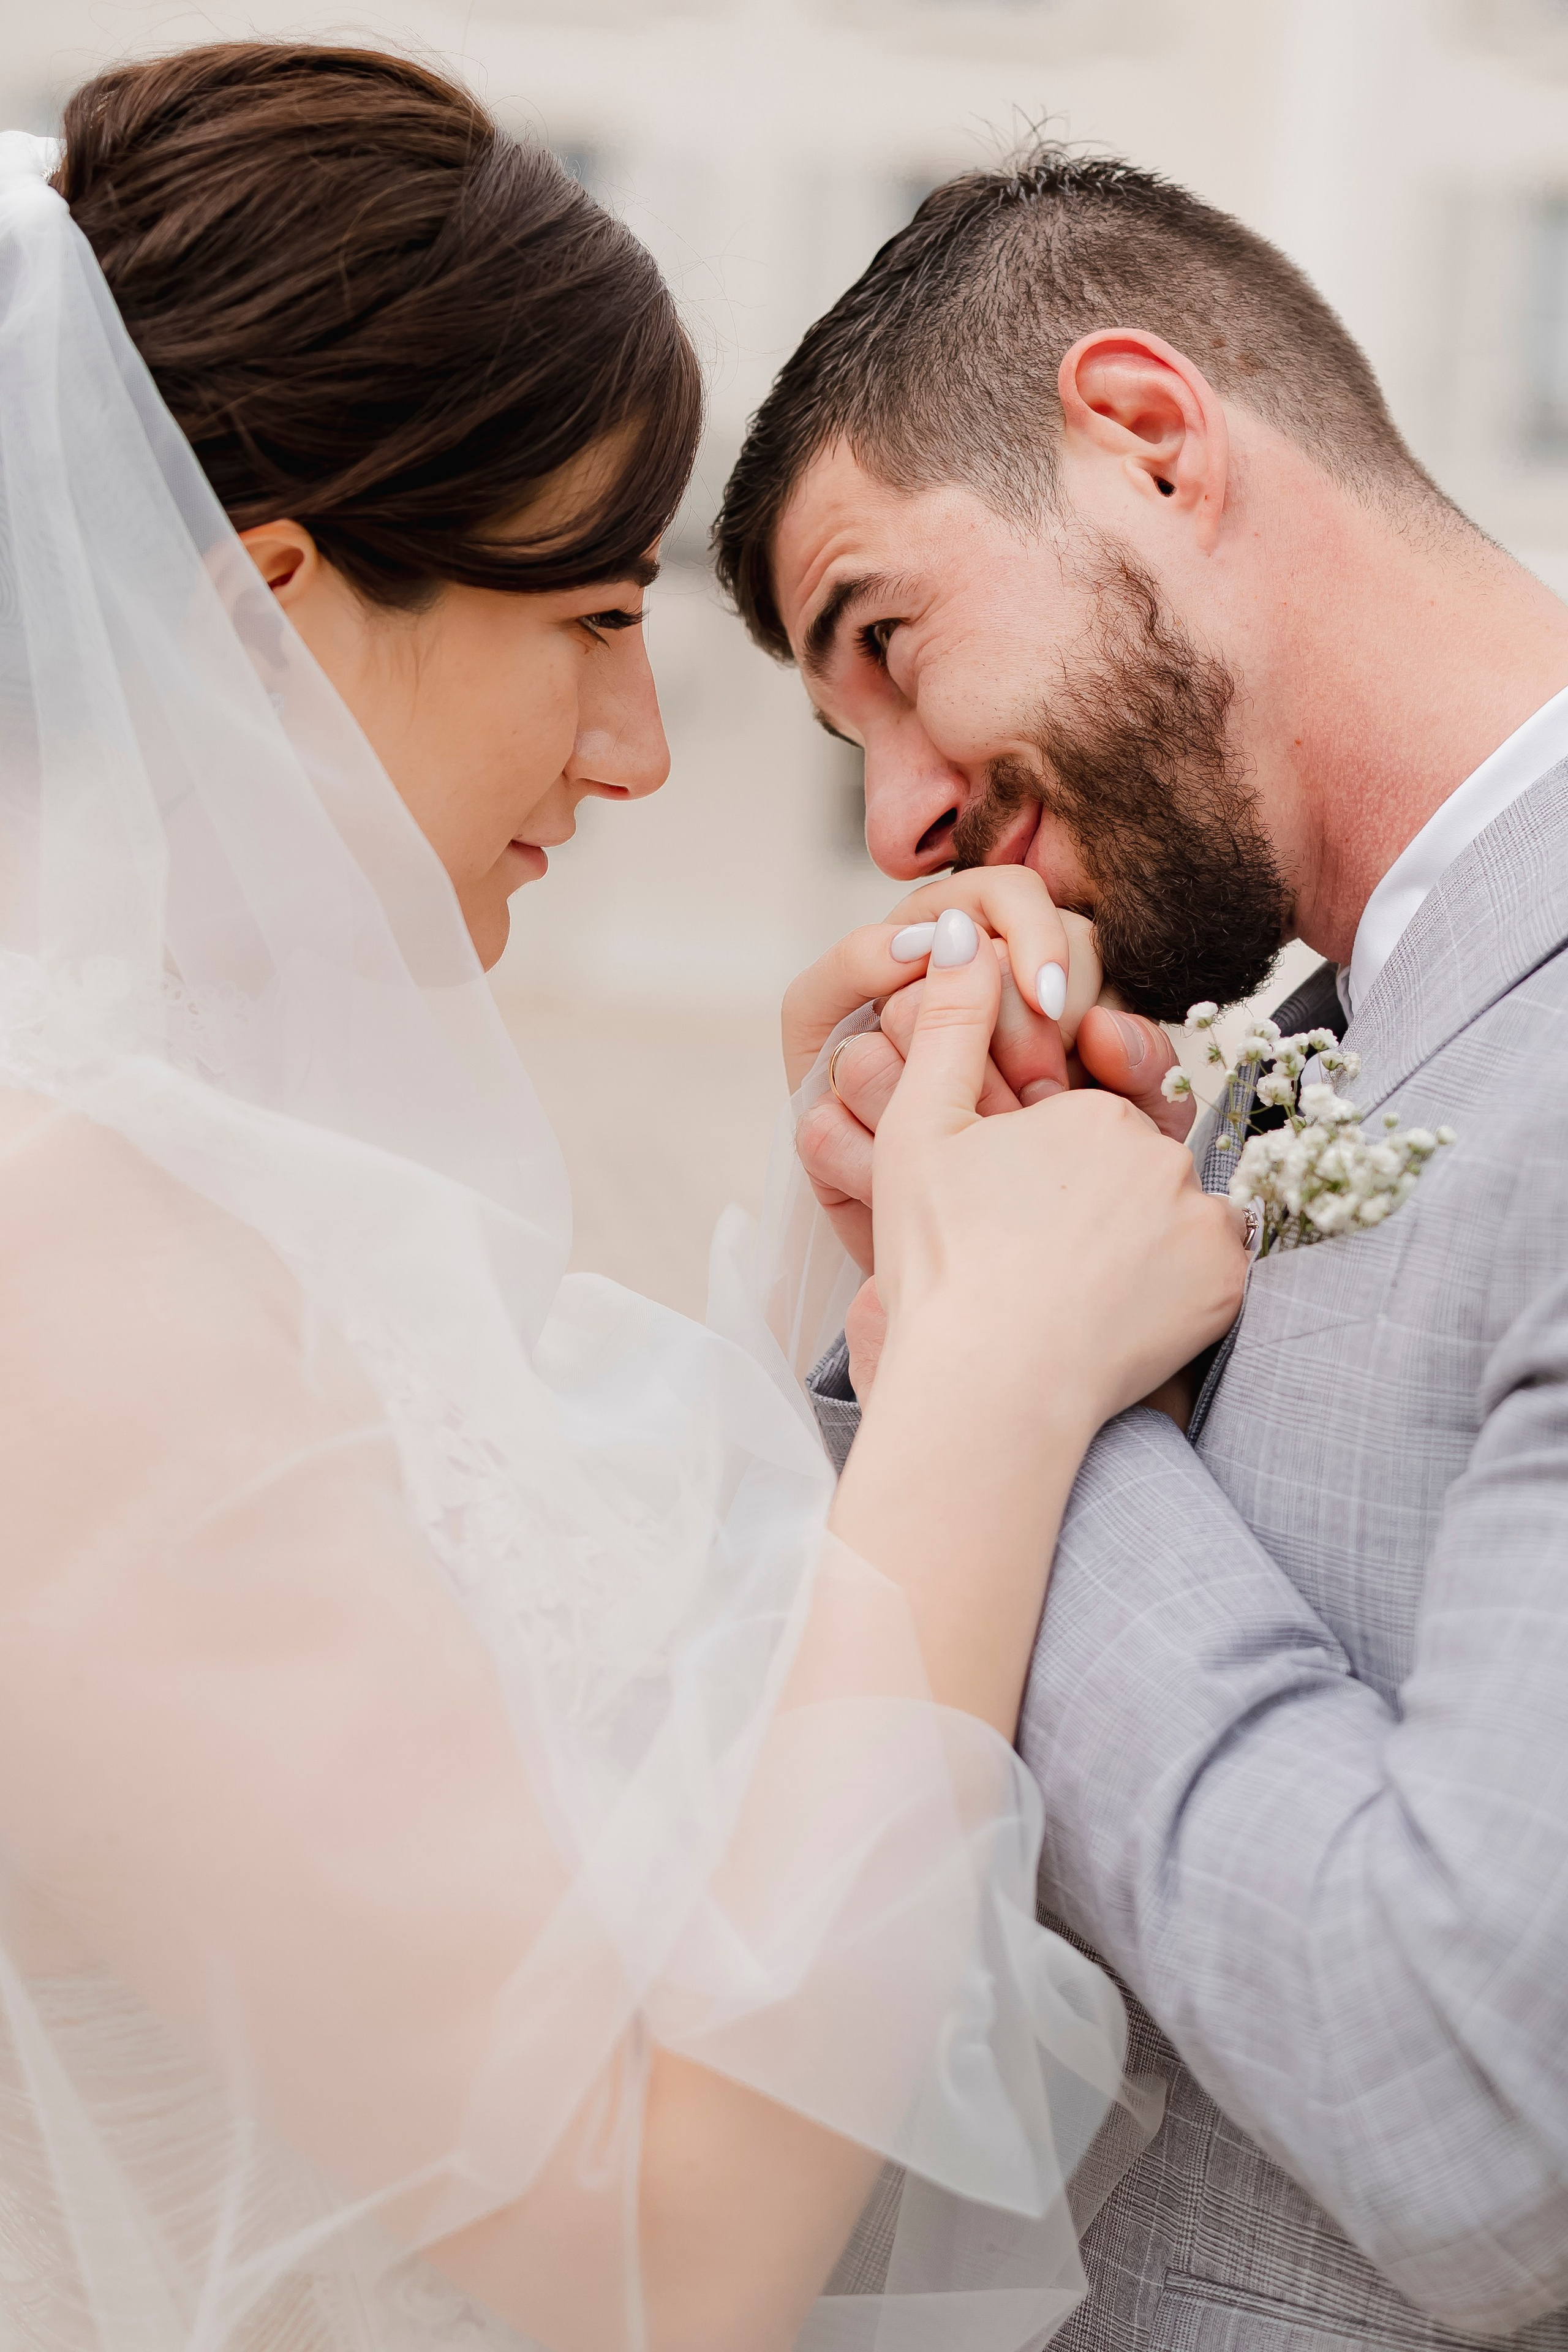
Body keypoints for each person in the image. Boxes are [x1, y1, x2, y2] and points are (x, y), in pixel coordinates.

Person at [0, 52, 1245, 2352]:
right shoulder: (57, 1272)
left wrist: (866, 1257)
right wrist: (985, 1387)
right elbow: (652, 2249)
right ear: (254, 613)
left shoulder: (189, 1179)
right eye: (584, 618)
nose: (637, 750)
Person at [714, 147, 1568, 2348]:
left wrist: (1006, 1368)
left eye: (884, 644)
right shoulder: (1280, 1041)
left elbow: (1491, 2108)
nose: (894, 816)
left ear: (1148, 437)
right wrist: (937, 1253)